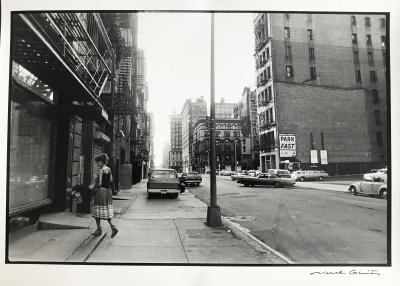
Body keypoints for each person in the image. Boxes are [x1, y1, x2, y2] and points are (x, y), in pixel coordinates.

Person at [89, 154, 118, 238]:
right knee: (105, 211)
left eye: (97, 162)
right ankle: (113, 227)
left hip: (101, 191)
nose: (97, 164)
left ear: (101, 162)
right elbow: (111, 180)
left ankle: (99, 230)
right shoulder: (109, 169)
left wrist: (94, 187)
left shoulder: (101, 170)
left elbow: (100, 183)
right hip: (108, 192)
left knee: (97, 210)